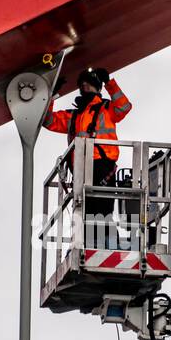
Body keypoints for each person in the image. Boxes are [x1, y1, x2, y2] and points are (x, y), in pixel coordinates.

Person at [43, 67, 133, 249]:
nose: (85, 87)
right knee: (85, 212)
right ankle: (88, 247)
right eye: (82, 85)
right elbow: (48, 120)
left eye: (89, 84)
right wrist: (52, 95)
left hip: (102, 165)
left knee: (102, 210)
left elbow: (124, 107)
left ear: (97, 87)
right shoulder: (74, 116)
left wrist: (110, 83)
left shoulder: (107, 108)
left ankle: (105, 247)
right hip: (81, 168)